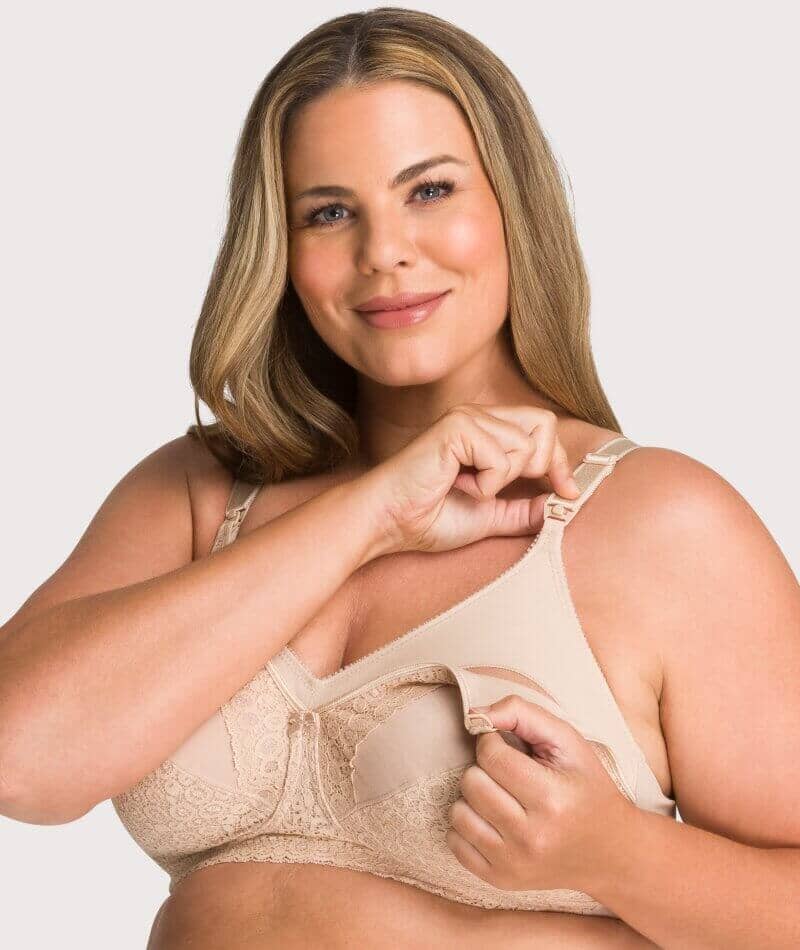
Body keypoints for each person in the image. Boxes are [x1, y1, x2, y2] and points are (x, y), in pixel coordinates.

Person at [1, 8, 797, 950]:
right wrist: (370, 514)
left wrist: (619, 855)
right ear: (281, 248)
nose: (384, 251)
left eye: (430, 189)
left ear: (512, 204)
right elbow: (22, 760)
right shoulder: (197, 493)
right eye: (329, 212)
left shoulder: (661, 523)